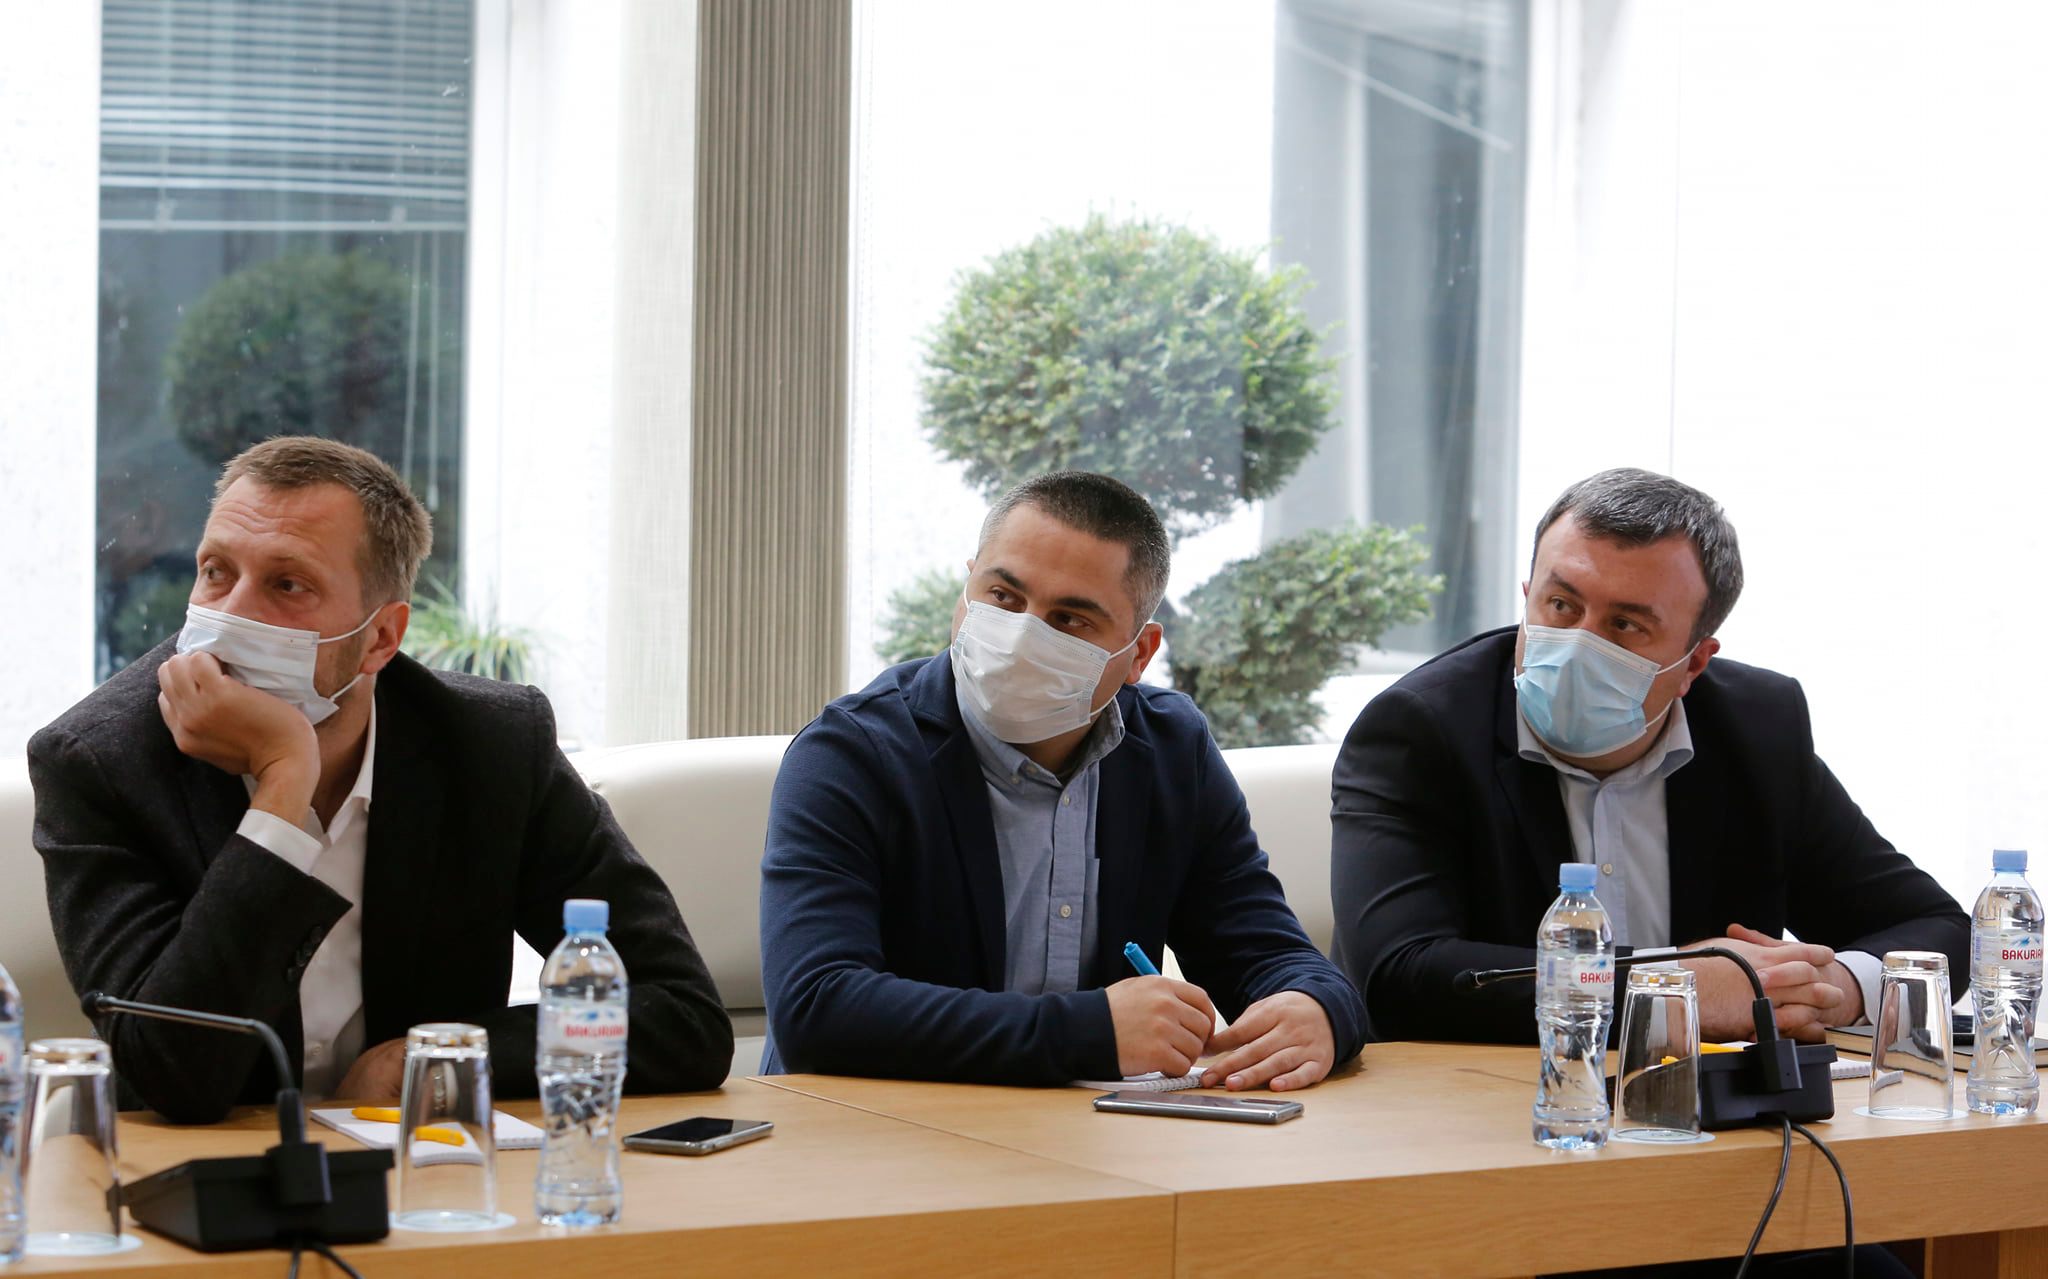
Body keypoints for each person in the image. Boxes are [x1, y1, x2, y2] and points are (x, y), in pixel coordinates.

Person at [29, 438, 732, 1122]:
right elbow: (171, 1072)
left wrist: (435, 1061)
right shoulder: (100, 762)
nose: (232, 614)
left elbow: (681, 1016)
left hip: (426, 1175)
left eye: (287, 584)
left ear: (380, 638)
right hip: (198, 1181)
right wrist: (283, 785)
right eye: (216, 571)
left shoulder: (491, 747)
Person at [761, 471, 1364, 1089]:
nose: (1022, 635)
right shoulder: (850, 753)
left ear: (1139, 654)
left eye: (1070, 620)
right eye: (1003, 596)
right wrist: (1091, 1031)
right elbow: (816, 1008)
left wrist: (1318, 1010)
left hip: (1082, 1131)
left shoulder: (1170, 750)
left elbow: (1265, 952)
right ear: (967, 585)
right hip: (872, 1129)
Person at [1332, 467, 1967, 1048]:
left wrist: (1833, 990)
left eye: (1626, 625)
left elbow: (1939, 927)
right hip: (1486, 1106)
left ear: (1694, 662)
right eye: (1561, 605)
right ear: (1527, 596)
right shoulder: (1420, 730)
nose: (1579, 643)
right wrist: (1670, 990)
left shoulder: (1756, 730)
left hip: (1709, 1115)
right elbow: (1398, 975)